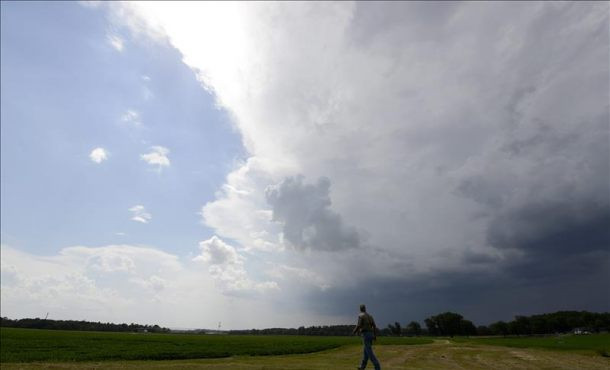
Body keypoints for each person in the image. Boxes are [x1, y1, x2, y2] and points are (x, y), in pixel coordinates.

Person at [352, 304, 381, 370]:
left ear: (360, 309)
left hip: (365, 334)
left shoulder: (360, 315)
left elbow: (358, 325)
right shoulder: (370, 316)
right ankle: (362, 367)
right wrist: (375, 336)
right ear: (365, 309)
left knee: (370, 353)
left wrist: (354, 331)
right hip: (370, 334)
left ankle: (377, 367)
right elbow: (374, 326)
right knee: (366, 352)